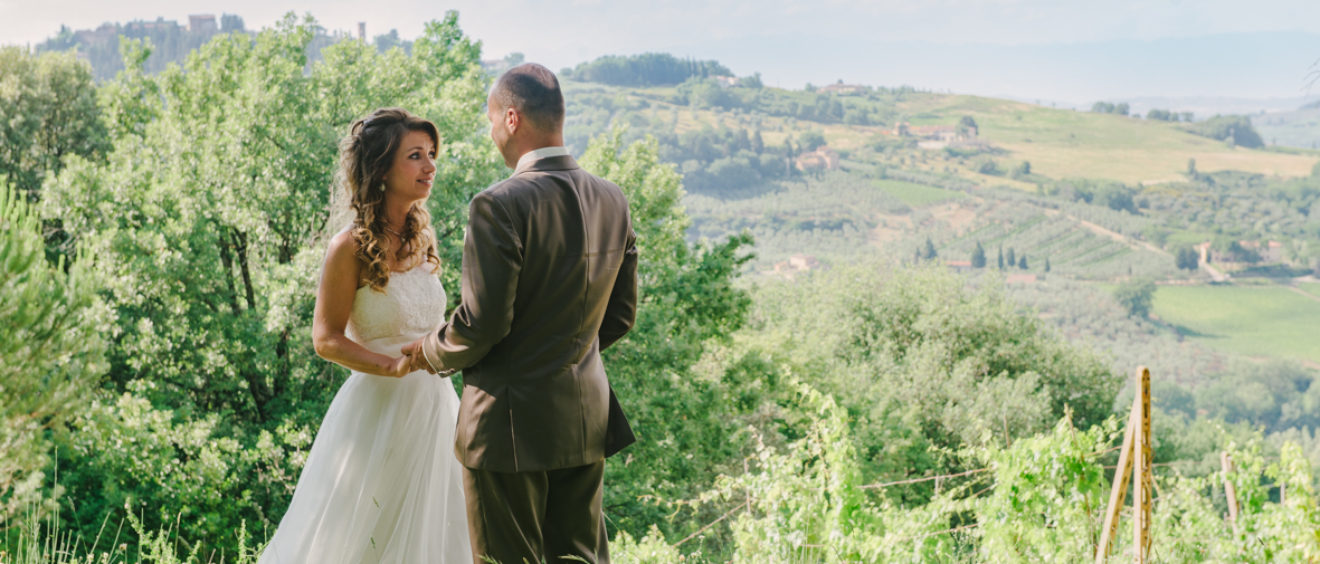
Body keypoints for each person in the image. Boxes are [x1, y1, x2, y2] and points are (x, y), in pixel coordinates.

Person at [402, 63, 638, 564]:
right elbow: (619, 317)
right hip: (584, 418)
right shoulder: (613, 199)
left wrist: (428, 350)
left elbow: (481, 324)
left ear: (511, 118)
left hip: (507, 425)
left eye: (491, 120)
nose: (491, 132)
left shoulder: (499, 205)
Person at [258, 108, 470, 563]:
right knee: (362, 538)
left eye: (432, 154)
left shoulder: (423, 238)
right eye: (415, 156)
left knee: (437, 531)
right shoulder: (347, 247)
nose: (430, 166)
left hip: (436, 408)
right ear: (380, 169)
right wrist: (389, 366)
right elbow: (326, 338)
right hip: (377, 413)